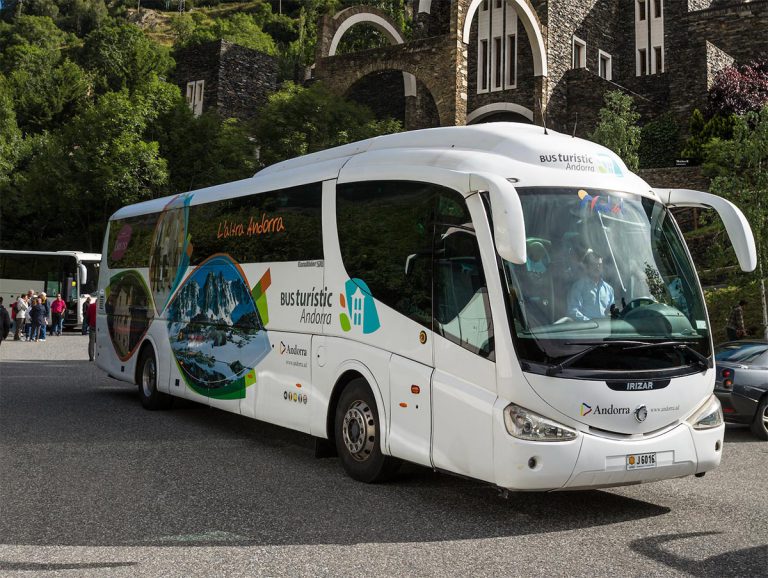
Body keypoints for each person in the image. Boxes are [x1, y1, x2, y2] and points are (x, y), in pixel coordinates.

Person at [567, 250, 615, 321]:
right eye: (594, 264)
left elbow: (612, 311)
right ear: (587, 267)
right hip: (588, 330)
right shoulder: (578, 287)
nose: (597, 267)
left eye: (599, 264)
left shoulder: (609, 289)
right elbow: (573, 311)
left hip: (606, 329)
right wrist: (590, 323)